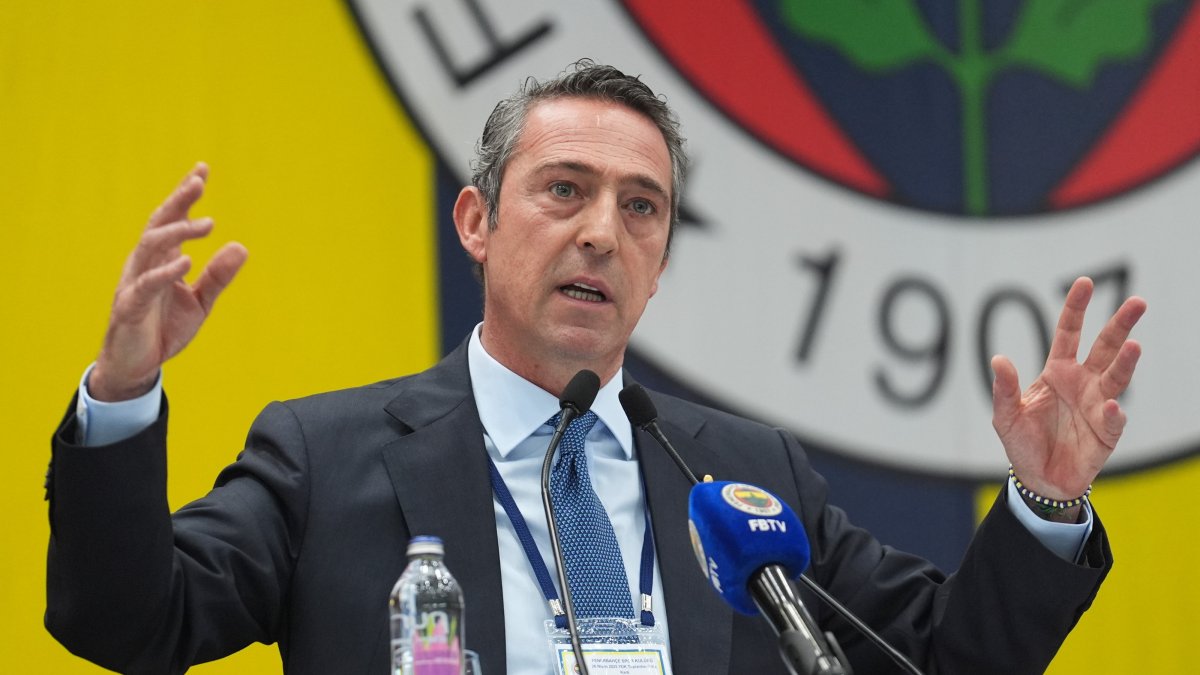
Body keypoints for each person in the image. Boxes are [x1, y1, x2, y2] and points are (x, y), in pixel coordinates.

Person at [45, 60, 1146, 675]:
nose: (601, 234)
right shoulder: (325, 459)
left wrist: (1049, 499)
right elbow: (128, 623)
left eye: (641, 208)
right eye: (563, 191)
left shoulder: (743, 473)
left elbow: (949, 663)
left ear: (661, 263)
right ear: (476, 221)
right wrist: (124, 396)